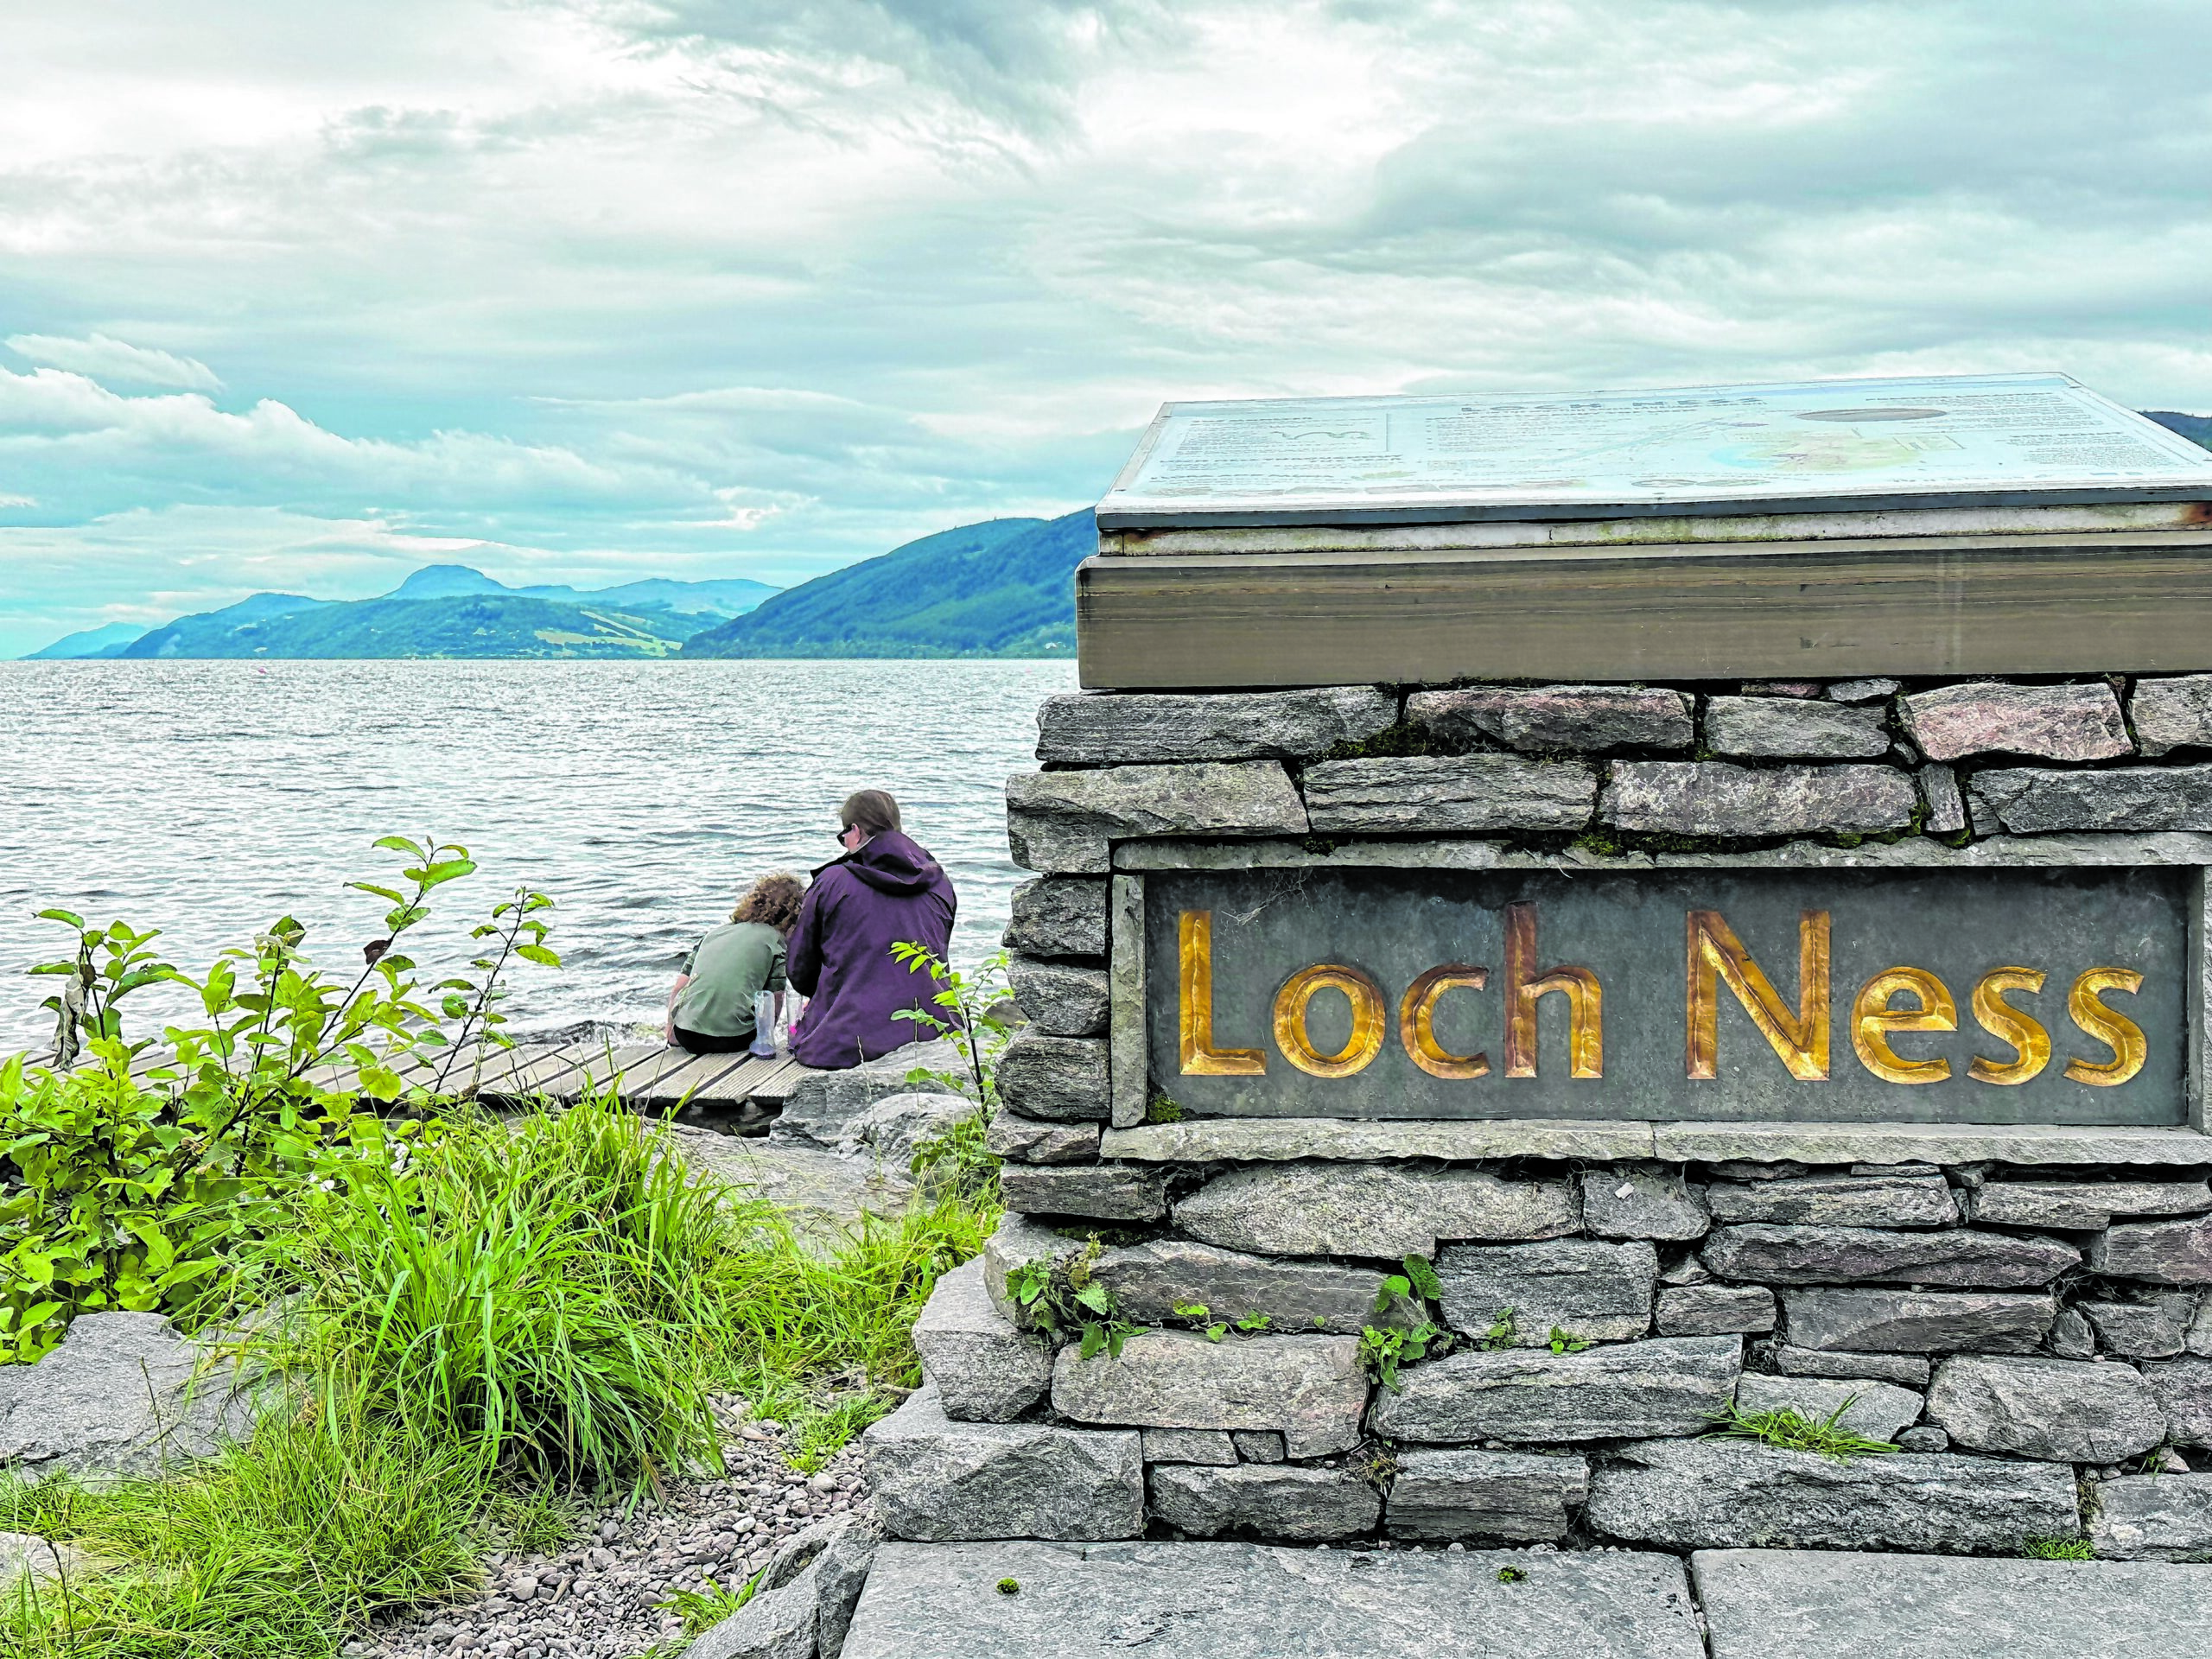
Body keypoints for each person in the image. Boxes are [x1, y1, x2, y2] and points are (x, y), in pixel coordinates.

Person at [786, 788, 957, 1070]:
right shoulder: (939, 882)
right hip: (935, 1035)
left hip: (845, 1044)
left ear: (855, 831)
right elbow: (938, 956)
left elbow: (799, 971)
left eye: (843, 837)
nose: (844, 844)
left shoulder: (832, 882)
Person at [667, 871, 805, 1053]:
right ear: (793, 917)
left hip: (686, 1034)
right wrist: (766, 1040)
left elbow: (679, 988)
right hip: (734, 1039)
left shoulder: (714, 934)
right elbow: (774, 998)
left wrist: (671, 1033)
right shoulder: (776, 942)